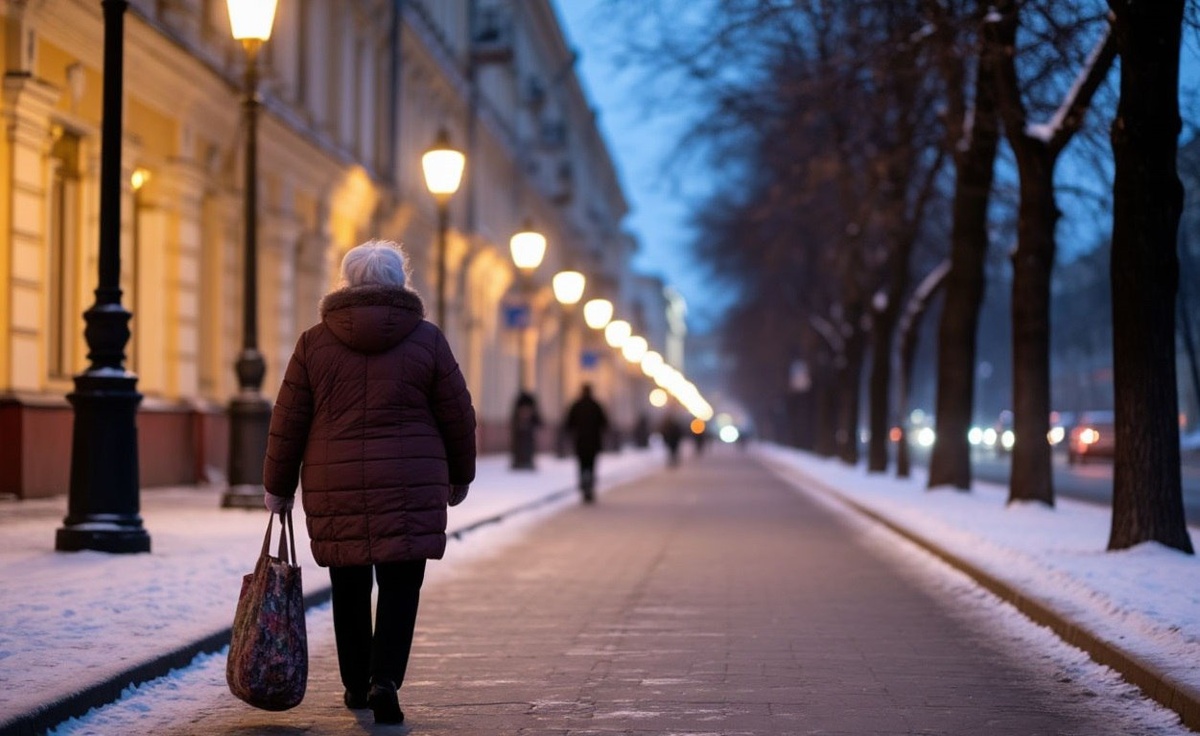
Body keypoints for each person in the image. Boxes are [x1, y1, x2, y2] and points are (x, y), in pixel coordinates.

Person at [261, 240, 476, 726]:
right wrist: (461, 474)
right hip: (411, 482)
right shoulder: (428, 340)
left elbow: (289, 418)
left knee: (349, 584)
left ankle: (356, 682)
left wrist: (278, 484)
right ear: (400, 282)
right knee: (402, 586)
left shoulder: (314, 342)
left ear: (347, 281)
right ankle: (385, 680)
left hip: (334, 482)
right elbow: (458, 415)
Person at [565, 383, 610, 503]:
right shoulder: (596, 406)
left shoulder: (576, 405)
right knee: (591, 465)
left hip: (580, 441)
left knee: (581, 465)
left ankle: (584, 486)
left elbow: (568, 423)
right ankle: (589, 488)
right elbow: (605, 423)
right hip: (593, 442)